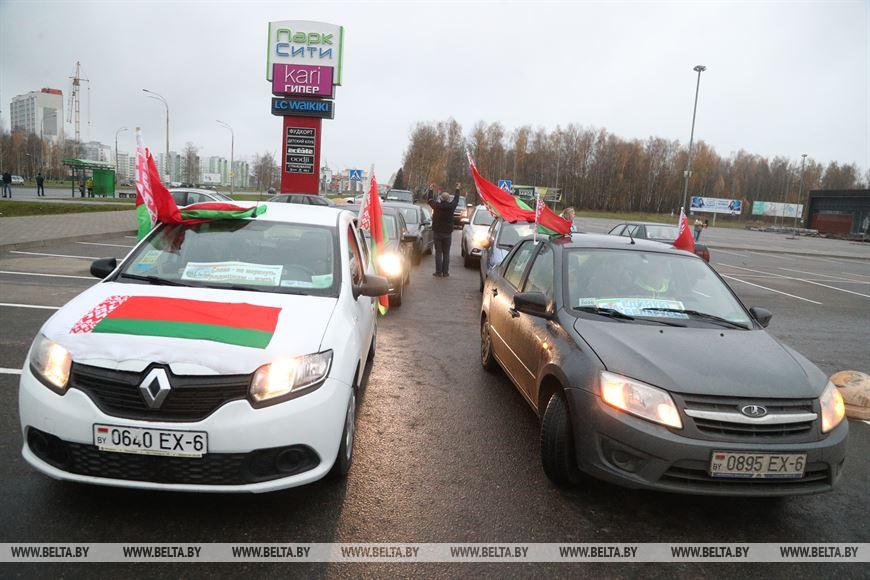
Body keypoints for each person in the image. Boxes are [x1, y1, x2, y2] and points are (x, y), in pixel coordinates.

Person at [427, 183, 460, 277]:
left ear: (441, 199)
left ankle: (438, 272)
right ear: (448, 199)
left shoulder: (436, 206)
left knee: (438, 253)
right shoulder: (451, 207)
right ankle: (445, 272)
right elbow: (456, 200)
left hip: (437, 233)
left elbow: (430, 200)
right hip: (447, 234)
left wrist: (430, 189)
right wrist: (457, 189)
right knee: (446, 253)